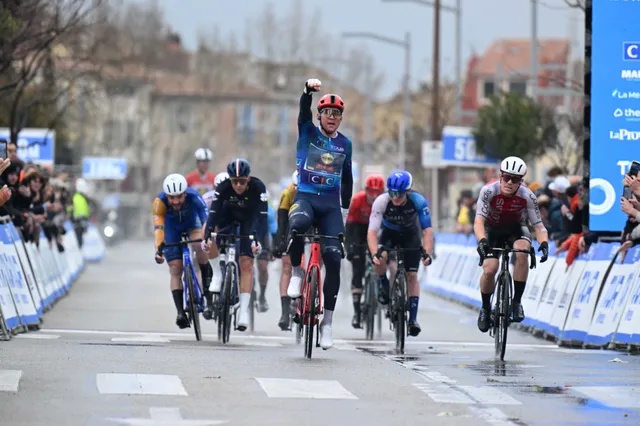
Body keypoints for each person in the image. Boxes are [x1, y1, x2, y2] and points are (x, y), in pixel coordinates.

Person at [286, 78, 353, 350]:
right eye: (327, 113)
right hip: (305, 198)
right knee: (298, 223)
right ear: (319, 116)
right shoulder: (308, 132)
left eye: (337, 114)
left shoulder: (345, 144)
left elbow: (347, 178)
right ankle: (296, 273)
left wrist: (345, 210)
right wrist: (306, 92)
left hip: (330, 205)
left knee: (334, 259)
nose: (332, 117)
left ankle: (327, 323)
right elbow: (303, 112)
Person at [474, 156, 549, 333]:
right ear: (500, 176)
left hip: (516, 228)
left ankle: (516, 302)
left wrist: (544, 243)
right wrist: (482, 241)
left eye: (514, 179)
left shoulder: (527, 195)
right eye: (506, 177)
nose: (509, 182)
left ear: (520, 181)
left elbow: (539, 226)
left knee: (523, 252)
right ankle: (485, 308)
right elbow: (478, 221)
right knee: (490, 269)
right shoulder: (488, 191)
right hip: (493, 230)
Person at [202, 158, 267, 331]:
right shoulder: (223, 187)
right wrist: (208, 235)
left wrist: (257, 240)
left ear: (248, 179)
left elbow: (262, 218)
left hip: (249, 221)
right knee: (207, 231)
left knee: (246, 263)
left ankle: (243, 311)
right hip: (227, 218)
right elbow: (214, 213)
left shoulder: (258, 187)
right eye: (235, 182)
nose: (238, 185)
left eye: (242, 181)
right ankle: (217, 273)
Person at [367, 171, 433, 337]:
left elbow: (427, 230)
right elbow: (372, 232)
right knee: (379, 258)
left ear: (408, 191)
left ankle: (413, 319)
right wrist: (375, 253)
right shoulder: (381, 201)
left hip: (411, 235)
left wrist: (426, 253)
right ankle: (383, 284)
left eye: (399, 194)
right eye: (392, 193)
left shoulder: (418, 201)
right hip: (389, 234)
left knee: (412, 276)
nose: (395, 197)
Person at [153, 173, 212, 329]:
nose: (176, 201)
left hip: (192, 225)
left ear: (185, 193)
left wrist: (207, 238)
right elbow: (159, 229)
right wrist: (159, 249)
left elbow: (206, 219)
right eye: (172, 198)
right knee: (175, 269)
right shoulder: (159, 203)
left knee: (200, 246)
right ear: (166, 196)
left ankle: (207, 293)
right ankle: (180, 312)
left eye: (179, 197)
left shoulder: (194, 197)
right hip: (171, 229)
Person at [345, 174, 385, 329]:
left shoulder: (386, 202)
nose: (374, 195)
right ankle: (357, 313)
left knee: (383, 258)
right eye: (371, 191)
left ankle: (382, 287)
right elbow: (349, 226)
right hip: (359, 231)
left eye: (378, 192)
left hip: (377, 231)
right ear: (366, 190)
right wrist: (349, 246)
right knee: (358, 269)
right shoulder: (357, 200)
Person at [274, 170, 299, 330]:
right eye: (296, 187)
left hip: (309, 229)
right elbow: (282, 221)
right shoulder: (288, 193)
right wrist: (281, 242)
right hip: (291, 228)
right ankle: (284, 312)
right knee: (287, 267)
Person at [255, 189, 277, 313]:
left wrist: (273, 250)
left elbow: (273, 232)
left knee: (263, 267)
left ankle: (262, 295)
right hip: (248, 235)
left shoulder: (269, 211)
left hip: (263, 238)